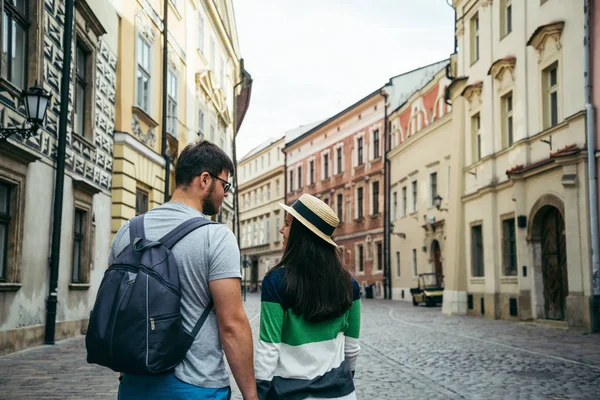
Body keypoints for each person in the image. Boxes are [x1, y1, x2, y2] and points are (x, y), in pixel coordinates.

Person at [110, 141, 258, 400]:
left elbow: (117, 308)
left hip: (135, 384)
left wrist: (125, 371)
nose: (225, 194)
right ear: (204, 180)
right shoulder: (216, 237)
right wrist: (251, 396)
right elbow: (232, 325)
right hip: (196, 387)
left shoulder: (128, 231)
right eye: (225, 185)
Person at [255, 193, 361, 400]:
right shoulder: (349, 284)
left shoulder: (276, 282)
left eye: (287, 225)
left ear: (300, 234)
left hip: (290, 394)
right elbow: (352, 349)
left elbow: (268, 350)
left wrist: (259, 392)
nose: (281, 230)